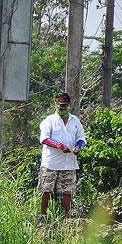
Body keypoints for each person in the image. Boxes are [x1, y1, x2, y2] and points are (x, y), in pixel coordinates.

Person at [37, 92, 85, 222]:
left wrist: (78, 147)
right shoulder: (49, 121)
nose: (63, 107)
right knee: (46, 189)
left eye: (65, 105)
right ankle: (43, 215)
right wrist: (59, 146)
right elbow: (44, 139)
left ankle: (67, 217)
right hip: (51, 162)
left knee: (67, 190)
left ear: (69, 105)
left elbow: (81, 138)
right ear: (56, 104)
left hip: (69, 162)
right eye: (60, 105)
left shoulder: (75, 121)